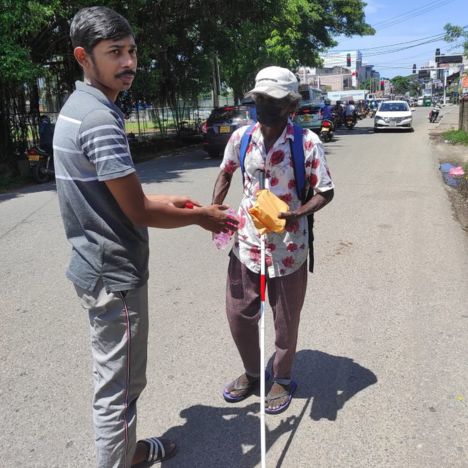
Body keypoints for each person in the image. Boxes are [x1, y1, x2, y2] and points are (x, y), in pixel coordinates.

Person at [53, 6, 237, 468]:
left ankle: (128, 450)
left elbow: (115, 193)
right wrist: (201, 219)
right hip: (115, 274)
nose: (128, 62)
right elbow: (134, 209)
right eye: (114, 53)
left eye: (131, 50)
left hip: (91, 265)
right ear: (83, 56)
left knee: (114, 376)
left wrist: (169, 199)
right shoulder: (99, 119)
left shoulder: (79, 109)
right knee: (121, 388)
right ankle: (122, 459)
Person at [212, 66, 334, 414]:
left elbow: (326, 191)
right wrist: (215, 210)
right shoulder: (241, 137)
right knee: (239, 315)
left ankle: (281, 377)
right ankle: (253, 373)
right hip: (246, 243)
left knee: (285, 320)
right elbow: (225, 173)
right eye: (259, 99)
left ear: (290, 106)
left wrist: (296, 214)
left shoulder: (307, 143)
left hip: (289, 247)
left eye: (273, 101)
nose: (263, 106)